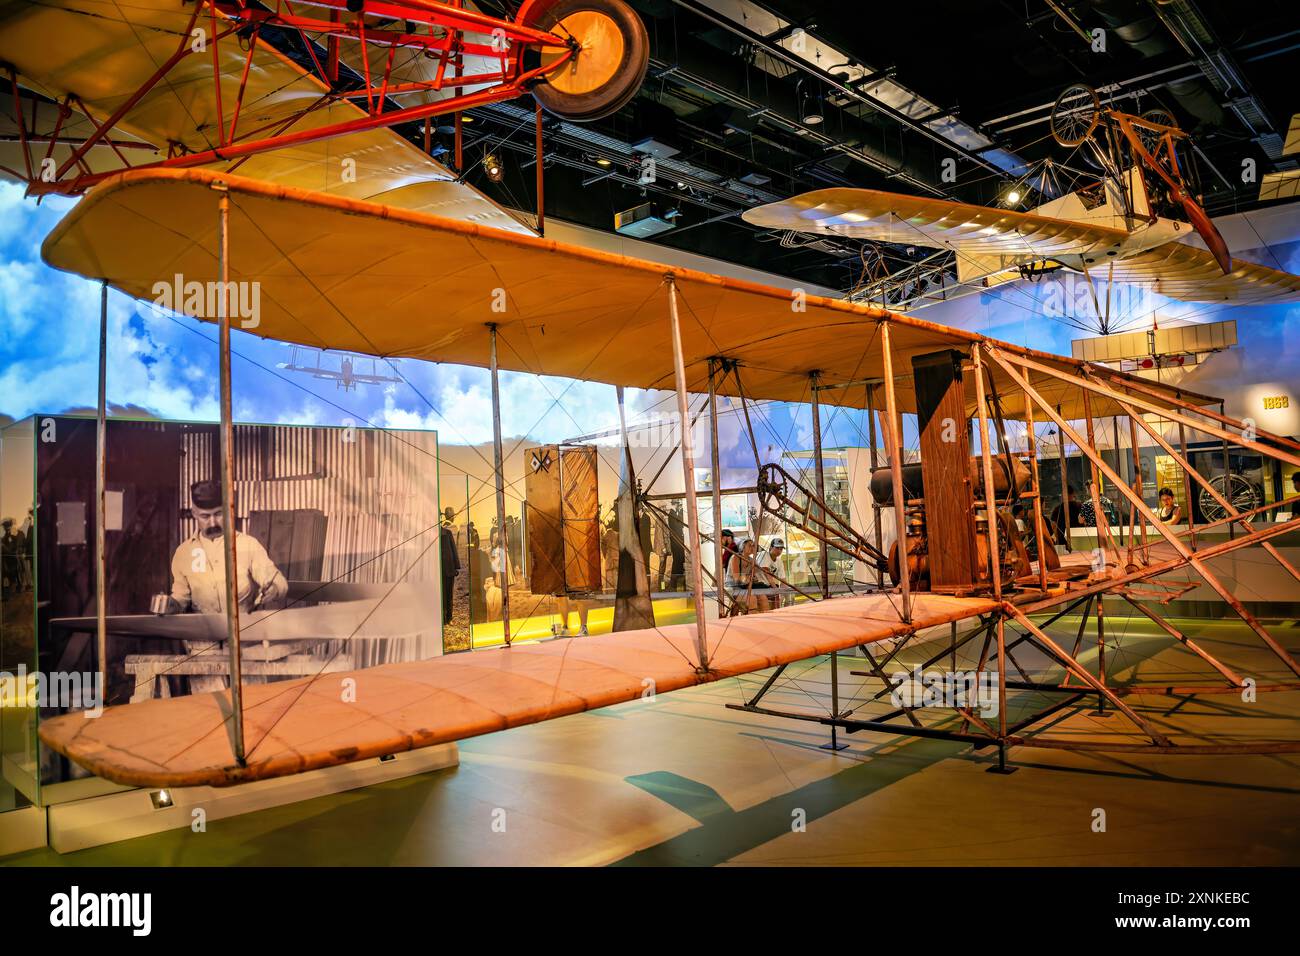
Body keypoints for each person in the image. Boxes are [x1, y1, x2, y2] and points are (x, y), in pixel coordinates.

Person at [154, 479, 287, 615]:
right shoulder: (183, 553)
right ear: (194, 513)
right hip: (202, 634)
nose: (213, 523)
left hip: (243, 633)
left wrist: (274, 589)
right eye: (205, 516)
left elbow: (278, 582)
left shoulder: (248, 545)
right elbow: (181, 599)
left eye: (218, 514)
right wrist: (169, 605)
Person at [727, 538, 767, 613]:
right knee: (752, 599)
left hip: (746, 587)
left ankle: (764, 621)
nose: (752, 547)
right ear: (742, 547)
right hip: (734, 587)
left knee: (763, 597)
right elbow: (736, 578)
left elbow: (756, 577)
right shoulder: (735, 557)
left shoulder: (752, 560)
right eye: (750, 546)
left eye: (753, 546)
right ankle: (751, 621)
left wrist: (751, 578)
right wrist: (749, 578)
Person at [439, 512, 460, 625]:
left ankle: (449, 618)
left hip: (448, 570)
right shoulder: (430, 536)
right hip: (437, 571)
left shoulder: (447, 533)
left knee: (448, 595)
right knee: (440, 596)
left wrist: (456, 567)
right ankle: (441, 618)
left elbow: (453, 550)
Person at [755, 537, 786, 607]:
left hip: (769, 586)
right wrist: (777, 590)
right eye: (777, 548)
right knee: (775, 595)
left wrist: (783, 593)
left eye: (781, 549)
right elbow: (767, 574)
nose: (779, 551)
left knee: (788, 596)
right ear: (770, 548)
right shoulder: (764, 555)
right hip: (759, 586)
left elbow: (783, 580)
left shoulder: (779, 561)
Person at [667, 501, 686, 592]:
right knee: (677, 562)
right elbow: (677, 526)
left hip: (677, 541)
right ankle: (676, 584)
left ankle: (677, 584)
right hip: (676, 542)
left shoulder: (673, 513)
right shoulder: (672, 514)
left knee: (678, 562)